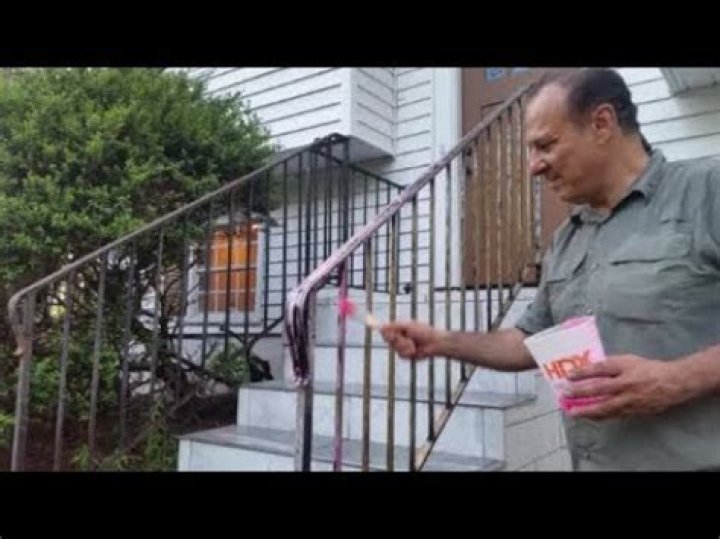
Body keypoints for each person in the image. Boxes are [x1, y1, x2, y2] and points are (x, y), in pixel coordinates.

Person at [380, 68, 720, 471]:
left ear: (602, 124)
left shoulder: (706, 192)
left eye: (545, 145)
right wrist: (443, 341)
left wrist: (678, 379)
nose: (533, 167)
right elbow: (530, 339)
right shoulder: (565, 240)